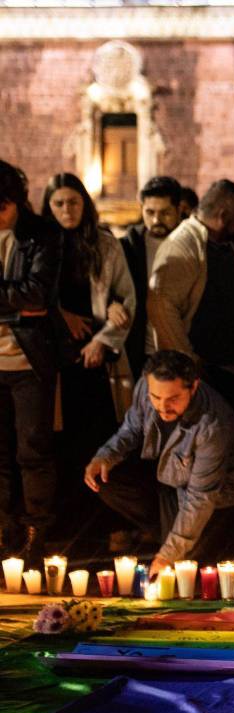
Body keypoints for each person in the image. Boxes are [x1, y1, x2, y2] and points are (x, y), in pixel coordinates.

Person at [85, 350, 234, 578]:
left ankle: (174, 537)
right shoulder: (146, 389)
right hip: (170, 477)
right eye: (156, 397)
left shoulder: (213, 424)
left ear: (193, 387)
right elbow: (131, 429)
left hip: (217, 494)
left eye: (173, 399)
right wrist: (105, 456)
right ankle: (166, 532)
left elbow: (200, 497)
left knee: (184, 567)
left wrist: (168, 554)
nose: (162, 407)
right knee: (104, 477)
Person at [41, 173, 136, 550]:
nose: (67, 210)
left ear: (85, 203)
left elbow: (126, 301)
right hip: (52, 359)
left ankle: (104, 529)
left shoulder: (105, 245)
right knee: (57, 447)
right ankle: (65, 531)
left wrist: (102, 340)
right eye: (59, 203)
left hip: (96, 362)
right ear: (48, 207)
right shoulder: (40, 246)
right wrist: (60, 314)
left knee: (97, 442)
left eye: (74, 202)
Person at [147, 179, 234, 444]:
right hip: (209, 371)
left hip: (230, 369)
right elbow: (161, 306)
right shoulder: (184, 244)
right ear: (222, 215)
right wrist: (187, 361)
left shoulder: (220, 243)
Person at [0, 161, 60, 559]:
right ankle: (3, 528)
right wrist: (16, 303)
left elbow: (38, 296)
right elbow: (24, 300)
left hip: (28, 361)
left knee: (32, 451)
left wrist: (25, 304)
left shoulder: (40, 235)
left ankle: (36, 531)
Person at [121, 176, 182, 378]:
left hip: (182, 346)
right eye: (150, 212)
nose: (156, 220)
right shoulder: (128, 246)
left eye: (165, 213)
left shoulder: (191, 245)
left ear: (178, 210)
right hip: (142, 348)